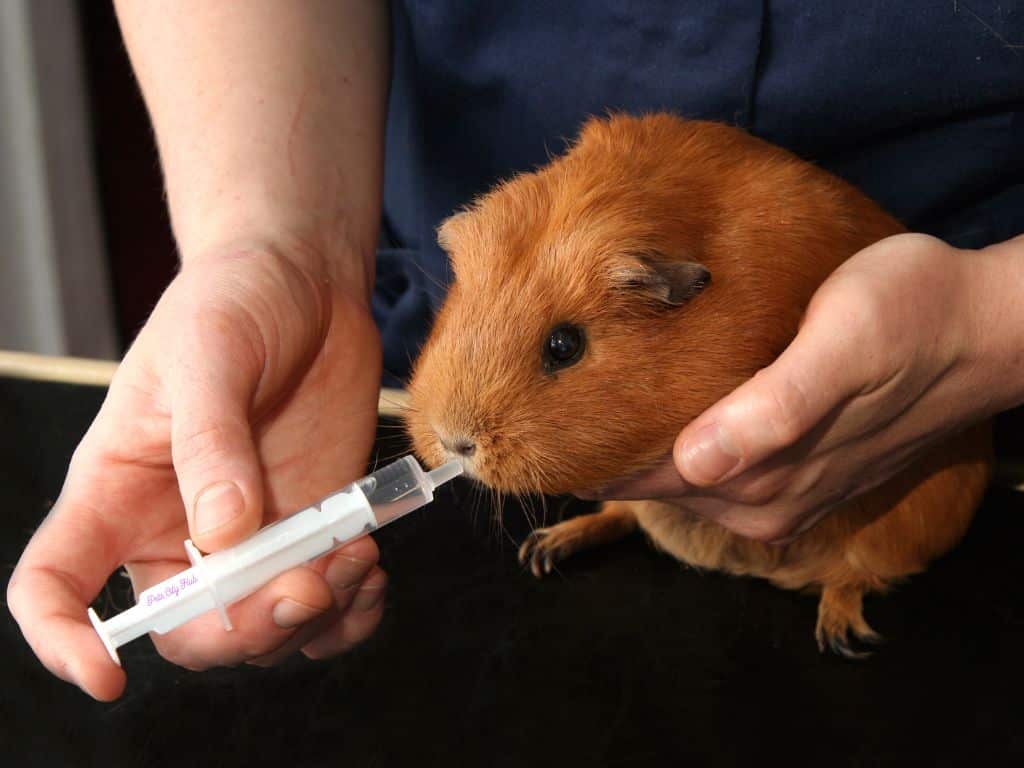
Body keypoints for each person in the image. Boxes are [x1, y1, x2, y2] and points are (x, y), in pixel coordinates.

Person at [8, 1, 1023, 700]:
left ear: (666, 293)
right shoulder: (500, 268)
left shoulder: (700, 276)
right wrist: (274, 237)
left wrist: (992, 319)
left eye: (564, 345)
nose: (448, 427)